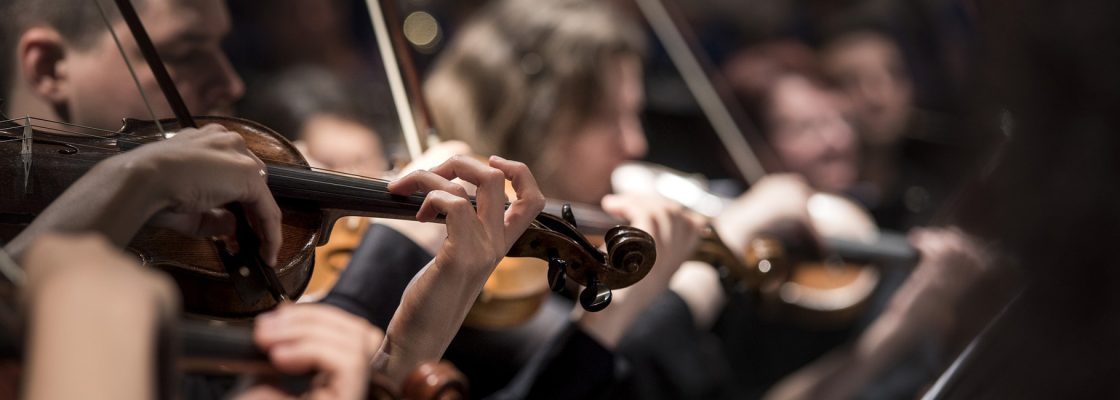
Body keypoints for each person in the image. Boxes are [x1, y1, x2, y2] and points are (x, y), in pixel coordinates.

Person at [1, 0, 548, 397]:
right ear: (49, 67)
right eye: (187, 51)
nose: (231, 81)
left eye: (223, 45)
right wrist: (133, 179)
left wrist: (406, 346)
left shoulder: (186, 259)